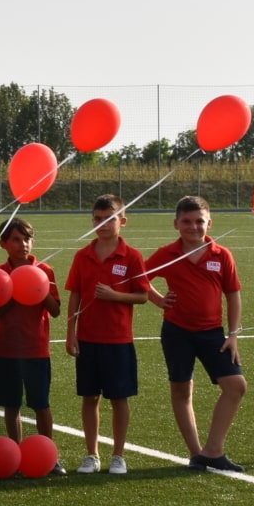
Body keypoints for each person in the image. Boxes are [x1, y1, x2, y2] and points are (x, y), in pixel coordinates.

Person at [144, 196, 247, 472]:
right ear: (176, 224)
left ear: (209, 223)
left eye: (199, 221)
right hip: (176, 332)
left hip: (213, 333)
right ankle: (196, 453)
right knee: (181, 389)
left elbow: (233, 295)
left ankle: (213, 450)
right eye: (187, 222)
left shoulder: (221, 254)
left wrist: (233, 334)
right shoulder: (166, 253)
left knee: (236, 386)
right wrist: (158, 299)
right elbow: (139, 276)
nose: (193, 227)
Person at [64, 194, 147, 475]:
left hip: (118, 340)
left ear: (122, 221)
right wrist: (70, 333)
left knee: (118, 399)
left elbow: (143, 296)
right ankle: (92, 454)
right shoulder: (82, 255)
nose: (103, 224)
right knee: (89, 397)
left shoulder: (132, 256)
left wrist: (115, 296)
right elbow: (74, 295)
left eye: (109, 219)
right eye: (97, 219)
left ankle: (118, 455)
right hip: (87, 339)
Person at [0, 218, 61, 463]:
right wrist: (14, 290)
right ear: (4, 243)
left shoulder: (45, 271)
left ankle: (50, 456)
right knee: (11, 403)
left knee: (41, 403)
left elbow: (55, 310)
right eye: (16, 239)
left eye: (27, 239)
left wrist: (38, 286)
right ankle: (14, 454)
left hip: (36, 350)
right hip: (5, 349)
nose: (23, 244)